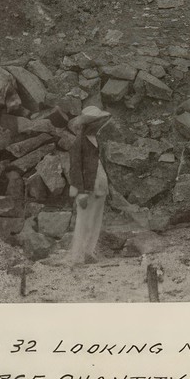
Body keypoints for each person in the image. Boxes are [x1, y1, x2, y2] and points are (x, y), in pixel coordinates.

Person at [67, 106, 111, 264]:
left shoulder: (96, 139)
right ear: (89, 124)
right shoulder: (78, 142)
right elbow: (75, 167)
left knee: (95, 219)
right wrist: (80, 191)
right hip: (86, 187)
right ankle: (77, 255)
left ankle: (88, 252)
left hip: (99, 184)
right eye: (97, 122)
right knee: (83, 221)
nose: (100, 124)